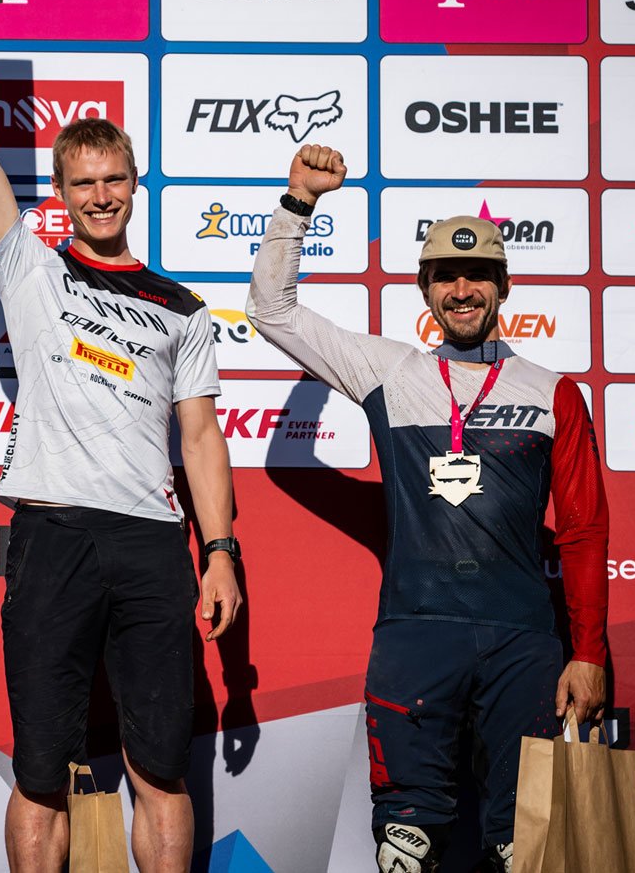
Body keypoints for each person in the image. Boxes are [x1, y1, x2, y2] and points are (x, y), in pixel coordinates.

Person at [0, 0, 243, 873]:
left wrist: (220, 552)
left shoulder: (182, 307)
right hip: (53, 536)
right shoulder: (29, 266)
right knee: (40, 772)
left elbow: (201, 438)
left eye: (114, 179)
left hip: (150, 543)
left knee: (161, 768)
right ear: (62, 196)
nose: (100, 196)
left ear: (135, 183)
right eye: (82, 183)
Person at [246, 145, 609, 873]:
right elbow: (271, 311)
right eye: (445, 275)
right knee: (405, 850)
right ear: (425, 289)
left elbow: (583, 532)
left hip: (522, 642)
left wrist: (589, 653)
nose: (462, 289)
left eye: (478, 275)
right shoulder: (390, 371)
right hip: (415, 636)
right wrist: (298, 202)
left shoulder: (554, 392)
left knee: (527, 847)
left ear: (504, 287)